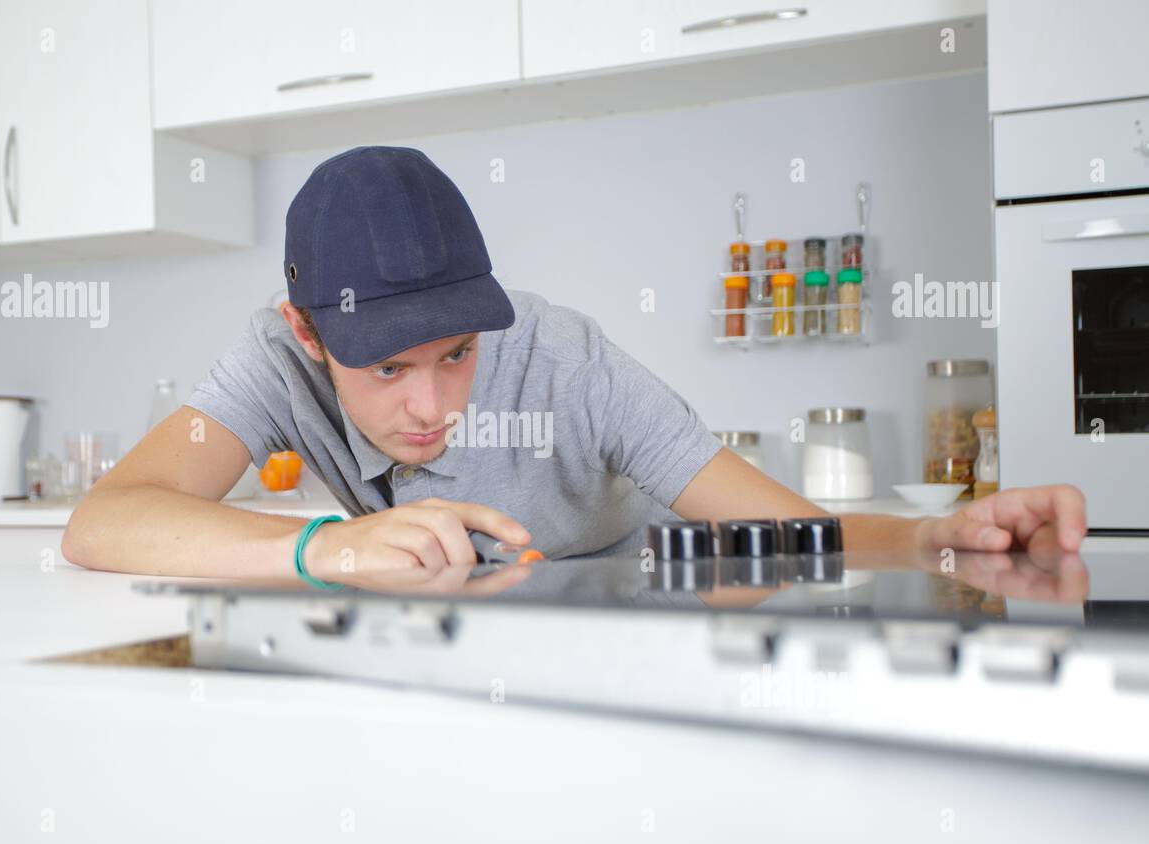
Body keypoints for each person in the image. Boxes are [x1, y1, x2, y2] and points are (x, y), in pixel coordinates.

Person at [62, 146, 1086, 583]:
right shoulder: (271, 356)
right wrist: (321, 547)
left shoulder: (568, 362)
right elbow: (103, 521)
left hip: (604, 636)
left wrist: (933, 538)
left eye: (456, 354)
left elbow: (781, 531)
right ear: (307, 333)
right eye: (384, 367)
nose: (430, 405)